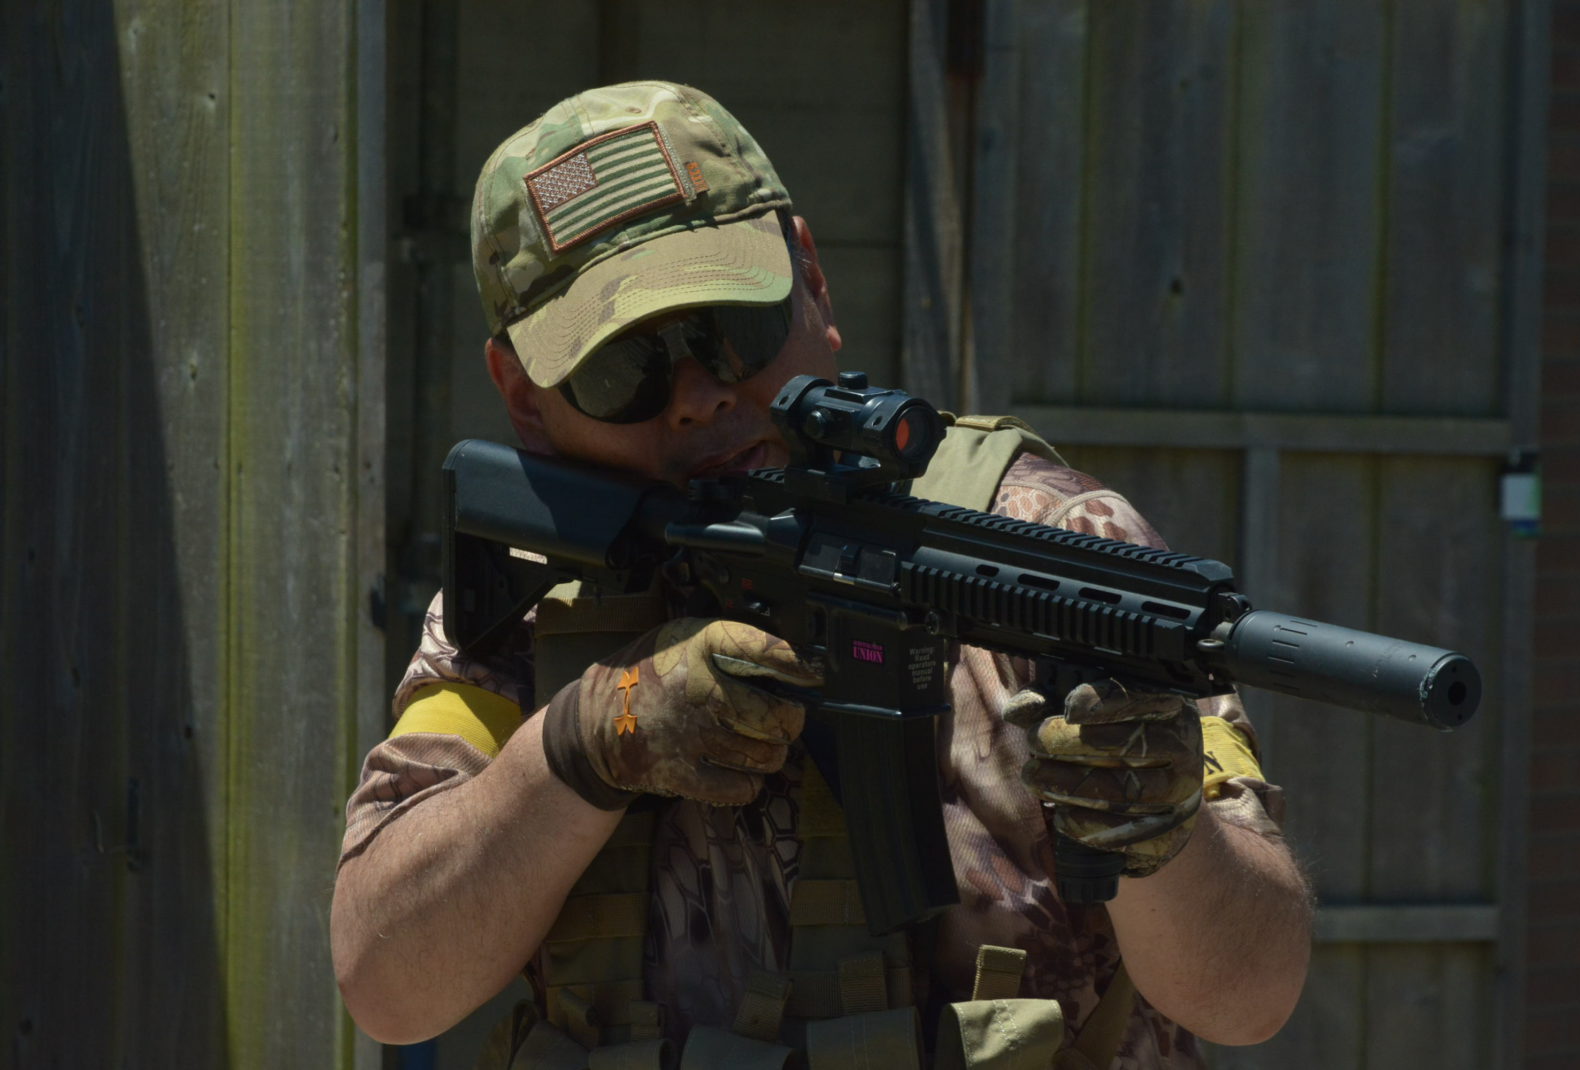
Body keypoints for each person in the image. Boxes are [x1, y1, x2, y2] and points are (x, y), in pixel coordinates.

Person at [331, 80, 1313, 1068]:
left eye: (732, 329)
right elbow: (386, 981)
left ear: (812, 282)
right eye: (622, 368)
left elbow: (1251, 993)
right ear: (523, 396)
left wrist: (1163, 828)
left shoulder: (1049, 542)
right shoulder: (541, 590)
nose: (697, 396)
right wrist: (588, 741)